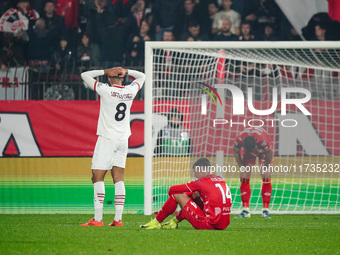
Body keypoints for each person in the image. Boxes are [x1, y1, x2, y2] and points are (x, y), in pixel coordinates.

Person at [80, 66, 146, 227]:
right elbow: (142, 76)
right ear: (122, 78)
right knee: (118, 178)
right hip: (123, 139)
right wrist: (127, 71)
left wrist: (105, 71)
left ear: (110, 79)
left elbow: (85, 75)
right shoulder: (130, 91)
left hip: (107, 138)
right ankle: (118, 219)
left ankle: (97, 219)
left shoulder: (105, 90)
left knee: (97, 177)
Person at [140, 158, 232, 230]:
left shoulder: (201, 182)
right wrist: (189, 197)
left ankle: (156, 222)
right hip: (223, 224)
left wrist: (179, 199)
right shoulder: (220, 179)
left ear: (203, 170)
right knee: (196, 195)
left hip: (208, 224)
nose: (195, 175)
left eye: (196, 172)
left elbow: (172, 190)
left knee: (177, 195)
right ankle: (174, 222)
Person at [233, 127, 273, 218]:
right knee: (244, 176)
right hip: (249, 153)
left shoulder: (263, 141)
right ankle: (245, 210)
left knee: (265, 175)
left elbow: (269, 153)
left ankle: (265, 210)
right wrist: (242, 167)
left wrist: (266, 167)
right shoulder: (239, 140)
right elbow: (236, 152)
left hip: (263, 152)